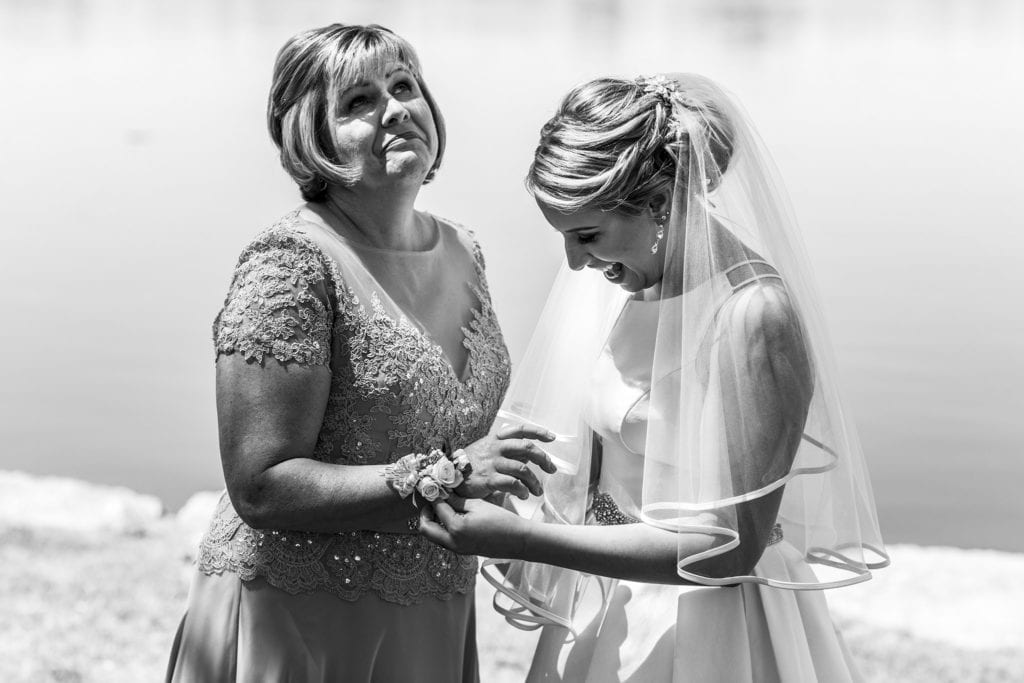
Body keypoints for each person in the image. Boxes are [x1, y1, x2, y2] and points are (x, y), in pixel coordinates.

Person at [419, 73, 889, 682]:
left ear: (661, 203)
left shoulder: (753, 315)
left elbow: (732, 545)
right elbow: (593, 468)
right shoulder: (615, 287)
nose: (575, 262)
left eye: (587, 235)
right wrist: (522, 503)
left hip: (710, 625)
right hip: (606, 602)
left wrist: (520, 541)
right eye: (565, 237)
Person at [165, 23, 556, 683]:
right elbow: (262, 484)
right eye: (357, 103)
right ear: (310, 136)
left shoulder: (465, 250)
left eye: (404, 87)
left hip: (430, 612)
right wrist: (454, 475)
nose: (396, 109)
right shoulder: (289, 264)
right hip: (299, 617)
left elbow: (462, 430)